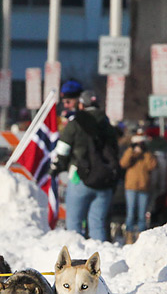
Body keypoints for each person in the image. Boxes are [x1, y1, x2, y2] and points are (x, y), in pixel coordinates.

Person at [51, 90, 119, 241]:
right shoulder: (107, 125)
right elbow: (115, 151)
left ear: (81, 105)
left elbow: (63, 149)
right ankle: (98, 258)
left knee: (74, 223)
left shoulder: (76, 123)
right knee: (98, 224)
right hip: (104, 181)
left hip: (79, 177)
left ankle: (76, 256)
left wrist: (57, 167)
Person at [120, 130, 158, 244]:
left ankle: (141, 236)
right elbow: (123, 163)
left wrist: (146, 152)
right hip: (131, 187)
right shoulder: (130, 153)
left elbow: (152, 165)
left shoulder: (147, 154)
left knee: (142, 214)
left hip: (143, 187)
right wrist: (132, 151)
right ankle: (129, 236)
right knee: (131, 213)